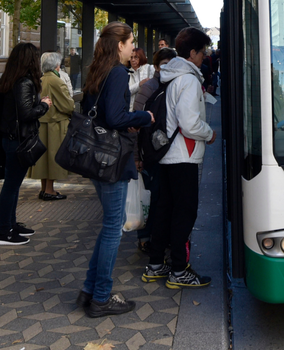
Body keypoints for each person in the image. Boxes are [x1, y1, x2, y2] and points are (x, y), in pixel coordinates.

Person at [76, 22, 154, 318]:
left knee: (111, 224)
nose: (134, 47)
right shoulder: (119, 73)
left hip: (96, 157)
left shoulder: (98, 69)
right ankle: (101, 298)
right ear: (119, 45)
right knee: (113, 227)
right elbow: (116, 116)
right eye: (132, 42)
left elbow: (101, 114)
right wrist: (143, 116)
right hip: (112, 160)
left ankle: (89, 290)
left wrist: (125, 118)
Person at [143, 27, 215, 289]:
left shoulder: (170, 76)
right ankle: (178, 270)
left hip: (165, 155)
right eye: (203, 51)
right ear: (193, 53)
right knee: (184, 212)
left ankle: (155, 265)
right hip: (184, 155)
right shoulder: (189, 80)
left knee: (164, 209)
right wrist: (208, 133)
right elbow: (189, 123)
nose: (205, 56)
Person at [0, 42, 51, 246]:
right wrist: (44, 105)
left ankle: (10, 224)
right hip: (18, 141)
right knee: (11, 187)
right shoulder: (24, 82)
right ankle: (4, 231)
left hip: (12, 139)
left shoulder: (12, 80)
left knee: (13, 185)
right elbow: (26, 113)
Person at [132, 47, 177, 254]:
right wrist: (136, 156)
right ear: (156, 66)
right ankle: (145, 237)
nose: (167, 68)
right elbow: (134, 123)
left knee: (164, 197)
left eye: (171, 64)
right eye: (163, 64)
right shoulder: (149, 87)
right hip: (150, 151)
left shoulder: (177, 85)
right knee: (151, 196)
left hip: (172, 152)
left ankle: (160, 235)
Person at [30, 52, 74, 201]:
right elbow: (67, 105)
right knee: (53, 158)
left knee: (43, 159)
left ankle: (44, 189)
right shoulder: (57, 81)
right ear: (56, 65)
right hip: (55, 124)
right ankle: (50, 190)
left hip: (41, 123)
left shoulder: (40, 80)